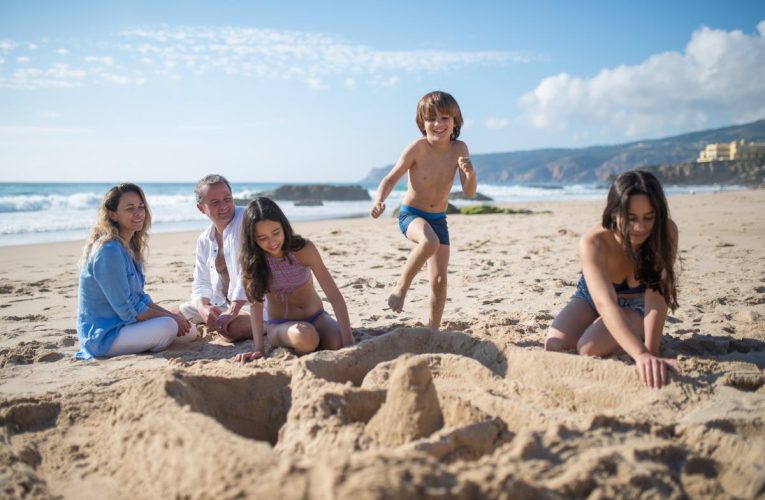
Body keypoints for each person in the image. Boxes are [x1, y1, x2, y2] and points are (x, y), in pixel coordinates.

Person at [545, 170, 679, 389]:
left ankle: (633, 333)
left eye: (649, 217)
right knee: (556, 345)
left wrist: (648, 353)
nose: (640, 227)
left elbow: (656, 296)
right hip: (593, 296)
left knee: (588, 349)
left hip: (639, 303)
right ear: (614, 212)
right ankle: (625, 335)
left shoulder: (666, 232)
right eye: (631, 218)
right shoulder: (593, 242)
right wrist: (640, 353)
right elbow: (604, 303)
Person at [370, 90, 477, 330]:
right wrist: (379, 200)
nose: (438, 124)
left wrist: (470, 173)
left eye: (444, 118)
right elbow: (390, 178)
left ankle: (433, 331)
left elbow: (469, 191)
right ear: (422, 123)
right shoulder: (416, 148)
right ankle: (401, 287)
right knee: (429, 242)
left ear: (455, 121)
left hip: (438, 218)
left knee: (439, 279)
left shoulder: (460, 148)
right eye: (431, 119)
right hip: (411, 214)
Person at [76, 183, 193, 359]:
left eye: (141, 206)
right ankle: (153, 342)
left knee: (190, 331)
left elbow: (141, 298)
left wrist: (174, 316)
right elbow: (130, 310)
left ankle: (155, 339)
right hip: (105, 336)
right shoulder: (108, 250)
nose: (138, 213)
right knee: (168, 326)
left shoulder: (128, 245)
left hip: (126, 326)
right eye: (130, 208)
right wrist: (172, 320)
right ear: (112, 214)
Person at [234, 197, 354, 362]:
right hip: (280, 326)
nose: (272, 242)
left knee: (338, 342)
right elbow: (256, 306)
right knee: (307, 337)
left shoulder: (304, 249)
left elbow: (334, 296)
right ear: (253, 239)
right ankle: (308, 341)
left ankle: (318, 340)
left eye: (276, 232)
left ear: (284, 226)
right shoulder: (253, 260)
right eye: (262, 238)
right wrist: (259, 349)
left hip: (317, 316)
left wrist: (348, 341)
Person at [177, 174, 254, 342]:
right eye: (215, 202)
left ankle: (271, 326)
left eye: (227, 199)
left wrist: (232, 312)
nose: (224, 206)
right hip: (220, 303)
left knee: (229, 330)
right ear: (201, 208)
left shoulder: (249, 222)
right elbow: (201, 281)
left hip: (254, 305)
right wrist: (203, 306)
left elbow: (250, 273)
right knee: (171, 318)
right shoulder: (205, 239)